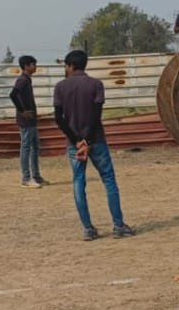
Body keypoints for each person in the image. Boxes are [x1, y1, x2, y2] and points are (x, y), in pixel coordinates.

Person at [54, 48, 136, 240]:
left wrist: (77, 141)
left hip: (74, 144)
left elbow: (59, 118)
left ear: (71, 65)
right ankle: (118, 225)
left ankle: (88, 229)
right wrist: (88, 140)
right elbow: (96, 116)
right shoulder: (96, 85)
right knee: (109, 181)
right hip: (96, 140)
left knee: (78, 183)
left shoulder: (60, 87)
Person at [10, 56, 46, 187]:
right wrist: (22, 111)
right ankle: (26, 178)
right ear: (25, 66)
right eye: (33, 64)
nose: (35, 67)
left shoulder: (27, 80)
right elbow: (13, 94)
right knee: (26, 148)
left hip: (32, 121)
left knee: (35, 147)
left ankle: (36, 176)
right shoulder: (22, 80)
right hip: (26, 121)